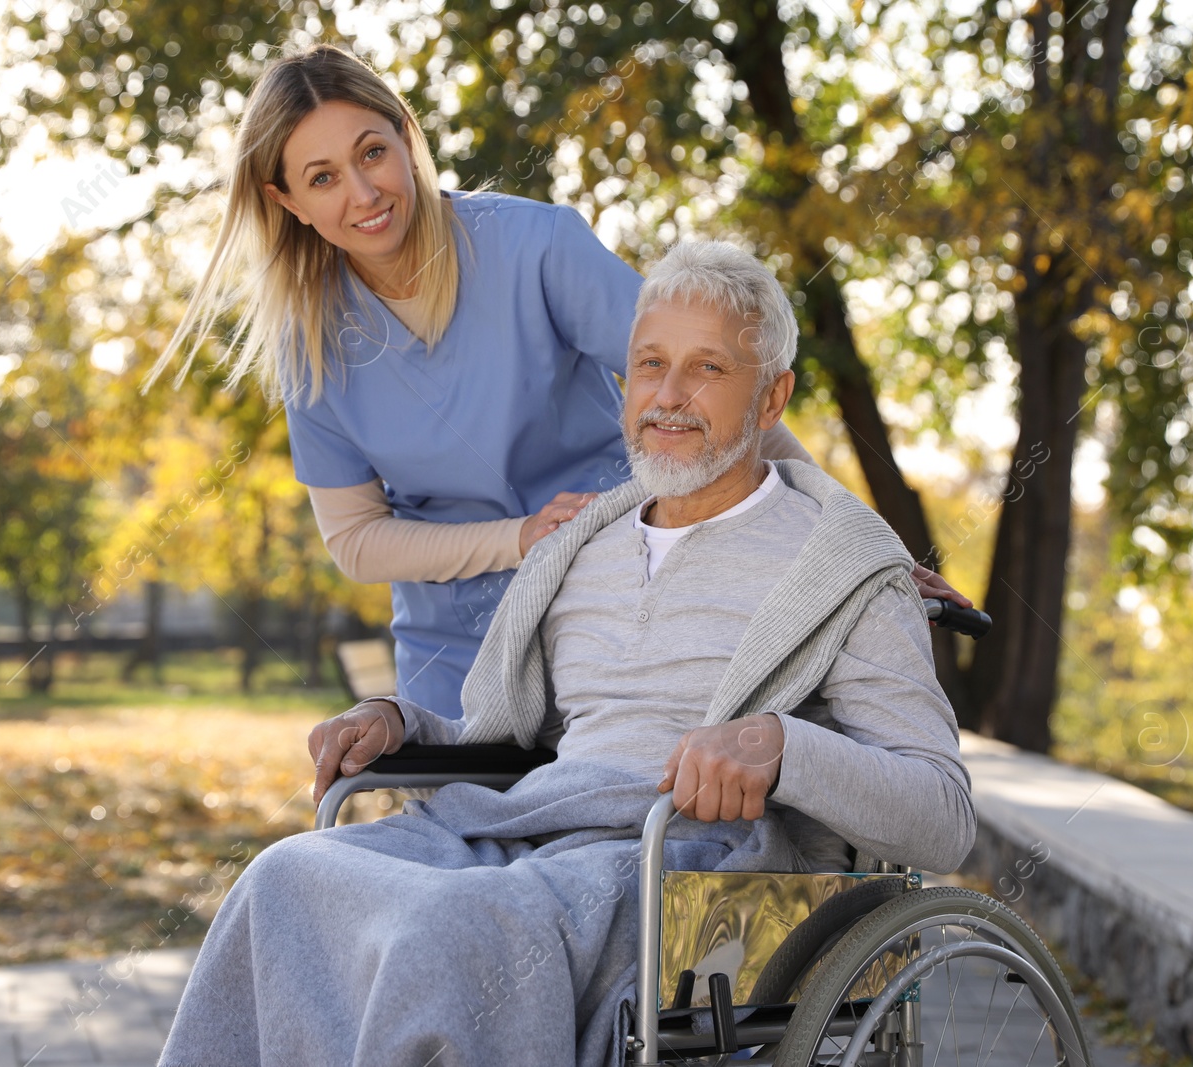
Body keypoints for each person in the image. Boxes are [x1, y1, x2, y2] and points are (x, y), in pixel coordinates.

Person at [158, 242, 973, 1067]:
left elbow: (943, 815)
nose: (669, 396)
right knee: (283, 881)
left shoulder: (842, 566)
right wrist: (401, 724)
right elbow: (515, 740)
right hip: (532, 827)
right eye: (650, 364)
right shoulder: (583, 547)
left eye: (708, 369)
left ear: (772, 398)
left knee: (452, 936)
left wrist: (782, 747)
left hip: (697, 869)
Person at [148, 43, 968, 717]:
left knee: (617, 854)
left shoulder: (534, 248)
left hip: (619, 612)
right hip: (456, 649)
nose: (364, 194)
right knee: (459, 873)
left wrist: (852, 542)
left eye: (373, 152)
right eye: (322, 177)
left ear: (405, 135)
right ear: (285, 200)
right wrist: (517, 537)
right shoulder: (310, 349)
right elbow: (358, 541)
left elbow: (715, 403)